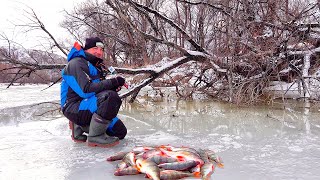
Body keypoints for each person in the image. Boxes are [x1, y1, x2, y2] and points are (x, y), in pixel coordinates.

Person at [60, 37, 127, 148]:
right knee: (110, 97)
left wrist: (113, 87)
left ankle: (81, 126)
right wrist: (112, 82)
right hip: (73, 108)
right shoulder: (75, 63)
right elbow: (85, 91)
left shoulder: (96, 66)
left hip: (88, 104)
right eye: (95, 48)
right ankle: (95, 137)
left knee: (120, 132)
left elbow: (98, 89)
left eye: (101, 49)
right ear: (86, 49)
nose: (99, 52)